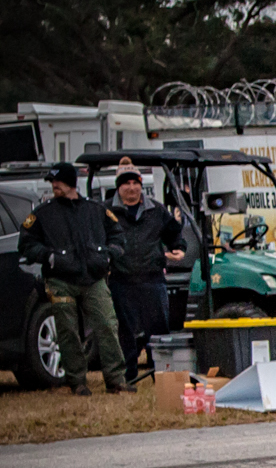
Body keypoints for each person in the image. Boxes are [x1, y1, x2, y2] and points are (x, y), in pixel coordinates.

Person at [20, 163, 128, 394]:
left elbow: (118, 235)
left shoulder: (95, 209)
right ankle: (77, 382)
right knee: (67, 330)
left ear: (71, 183)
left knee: (107, 325)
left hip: (94, 277)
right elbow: (26, 244)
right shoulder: (43, 213)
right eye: (52, 182)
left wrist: (109, 256)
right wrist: (48, 257)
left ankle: (116, 379)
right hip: (60, 280)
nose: (53, 186)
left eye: (57, 182)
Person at [103, 169, 188, 379]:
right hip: (121, 280)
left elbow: (174, 232)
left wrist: (179, 246)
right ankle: (128, 377)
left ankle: (160, 375)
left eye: (136, 183)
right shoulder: (105, 212)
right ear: (118, 187)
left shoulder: (156, 210)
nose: (131, 188)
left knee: (158, 332)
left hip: (152, 279)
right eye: (126, 184)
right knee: (125, 333)